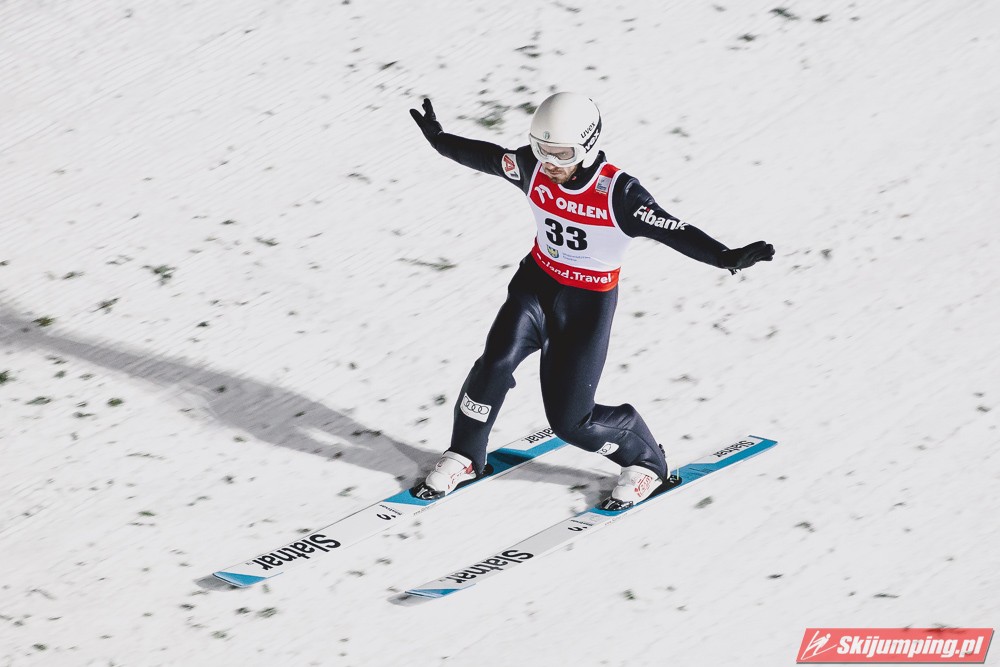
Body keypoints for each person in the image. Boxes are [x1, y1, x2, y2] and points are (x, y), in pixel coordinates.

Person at [408, 92, 774, 510]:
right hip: (534, 288)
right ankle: (465, 455)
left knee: (571, 423)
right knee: (493, 365)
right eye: (540, 149)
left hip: (585, 308)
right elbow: (486, 156)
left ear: (587, 145)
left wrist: (724, 257)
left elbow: (674, 229)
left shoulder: (620, 194)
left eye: (561, 153)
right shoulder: (530, 166)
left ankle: (645, 461)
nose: (549, 163)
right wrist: (439, 139)